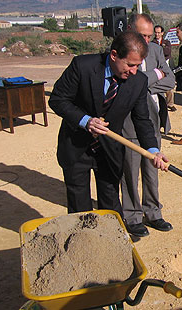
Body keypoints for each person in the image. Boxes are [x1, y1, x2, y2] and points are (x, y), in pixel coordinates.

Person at [48, 31, 169, 217]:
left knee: (111, 203)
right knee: (79, 207)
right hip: (75, 146)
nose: (134, 71)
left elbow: (142, 120)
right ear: (114, 55)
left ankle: (112, 242)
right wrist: (85, 120)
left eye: (138, 65)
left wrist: (153, 150)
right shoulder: (83, 66)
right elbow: (58, 99)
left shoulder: (138, 81)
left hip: (109, 151)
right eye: (130, 64)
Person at [121, 14, 175, 237]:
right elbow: (126, 83)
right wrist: (155, 75)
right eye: (142, 35)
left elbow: (170, 80)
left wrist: (143, 83)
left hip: (152, 119)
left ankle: (153, 212)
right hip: (129, 123)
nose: (146, 40)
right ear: (130, 30)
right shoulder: (123, 48)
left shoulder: (154, 50)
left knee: (152, 168)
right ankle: (132, 216)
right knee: (130, 172)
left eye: (149, 36)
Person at [153, 25, 177, 112]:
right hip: (156, 67)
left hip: (166, 66)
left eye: (159, 32)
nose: (157, 34)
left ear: (162, 33)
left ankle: (170, 103)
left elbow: (167, 52)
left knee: (169, 86)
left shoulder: (167, 42)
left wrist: (159, 50)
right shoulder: (152, 42)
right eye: (155, 32)